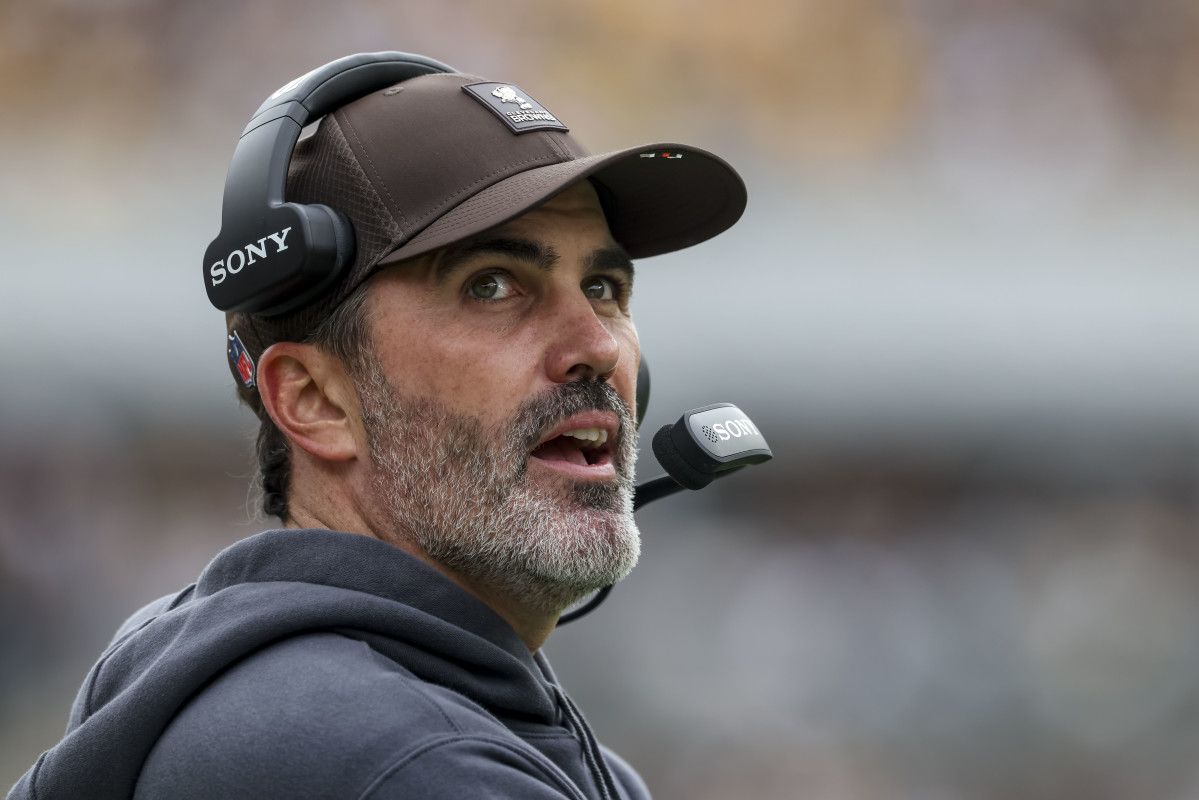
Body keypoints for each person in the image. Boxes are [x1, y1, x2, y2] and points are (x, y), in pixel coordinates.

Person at [9, 55, 746, 800]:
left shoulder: (288, 693)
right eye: (492, 285)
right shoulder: (409, 762)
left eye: (602, 286)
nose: (597, 346)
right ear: (315, 400)